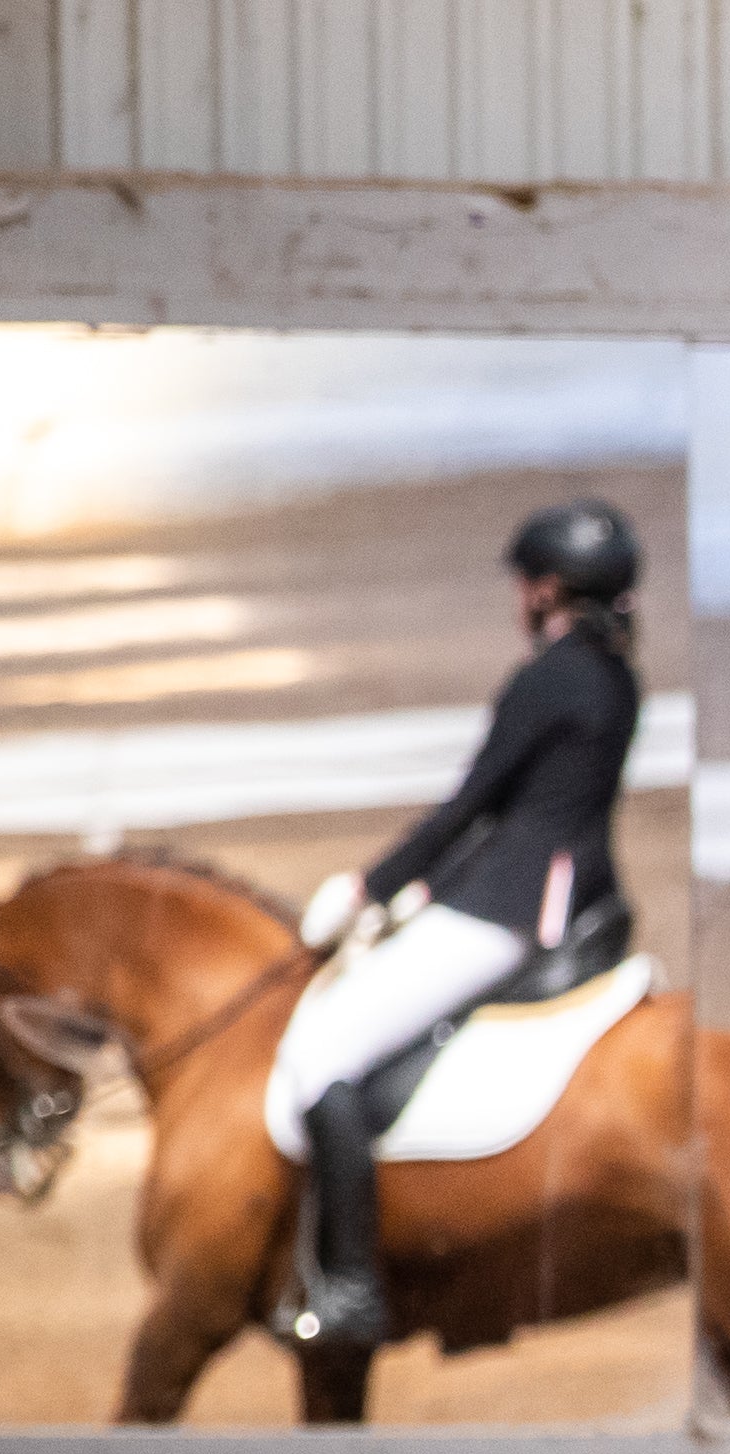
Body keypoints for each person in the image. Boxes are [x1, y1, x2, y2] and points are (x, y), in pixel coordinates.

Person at [275, 497, 648, 1349]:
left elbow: (472, 805)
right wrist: (422, 892)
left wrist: (371, 887)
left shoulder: (551, 676)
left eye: (524, 585)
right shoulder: (615, 672)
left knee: (322, 1056)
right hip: (540, 891)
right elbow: (521, 811)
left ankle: (354, 1288)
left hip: (506, 909)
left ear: (547, 588)